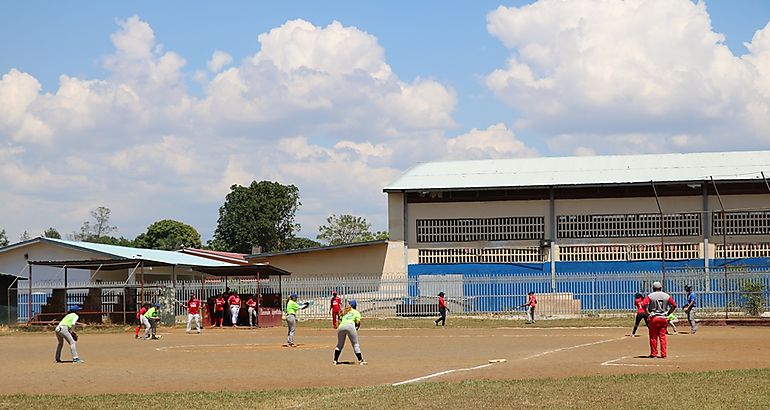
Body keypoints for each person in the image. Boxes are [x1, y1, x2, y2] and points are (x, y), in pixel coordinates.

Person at [642, 281, 677, 358]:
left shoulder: (650, 296)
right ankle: (664, 354)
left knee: (653, 337)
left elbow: (643, 304)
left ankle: (654, 354)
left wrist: (647, 313)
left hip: (654, 318)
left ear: (653, 288)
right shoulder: (666, 296)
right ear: (661, 288)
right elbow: (674, 305)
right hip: (663, 318)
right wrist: (668, 313)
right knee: (662, 336)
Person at [333, 300, 367, 366]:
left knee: (339, 345)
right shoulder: (356, 312)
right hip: (350, 326)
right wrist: (357, 327)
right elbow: (357, 322)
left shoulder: (345, 312)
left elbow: (340, 320)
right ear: (355, 306)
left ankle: (335, 361)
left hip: (341, 326)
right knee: (355, 344)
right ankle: (361, 361)